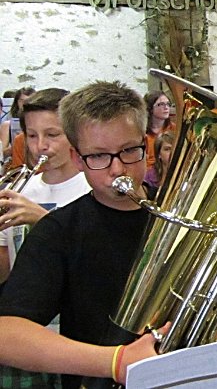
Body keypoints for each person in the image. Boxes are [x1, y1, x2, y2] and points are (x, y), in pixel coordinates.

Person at [0, 81, 167, 389]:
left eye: (129, 150)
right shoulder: (59, 230)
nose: (118, 169)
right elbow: (7, 333)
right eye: (99, 156)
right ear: (78, 159)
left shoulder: (181, 216)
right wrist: (115, 362)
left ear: (145, 144)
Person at [0, 88, 93, 387]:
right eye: (32, 135)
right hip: (26, 334)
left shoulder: (91, 189)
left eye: (53, 135)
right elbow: (6, 271)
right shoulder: (21, 187)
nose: (41, 146)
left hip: (76, 332)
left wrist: (44, 220)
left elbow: (96, 263)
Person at [143, 90, 175, 168]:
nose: (166, 107)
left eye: (168, 104)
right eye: (161, 104)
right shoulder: (142, 132)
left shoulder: (174, 128)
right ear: (150, 108)